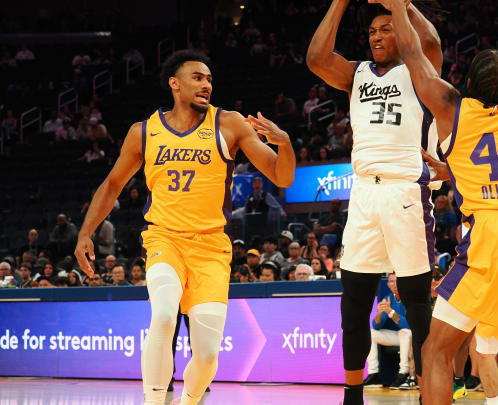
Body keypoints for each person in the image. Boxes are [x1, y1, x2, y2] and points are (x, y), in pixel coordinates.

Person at [73, 50, 295, 405]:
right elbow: (113, 184)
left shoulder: (230, 123)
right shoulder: (143, 132)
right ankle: (154, 400)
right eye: (197, 77)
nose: (206, 84)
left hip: (211, 247)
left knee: (207, 355)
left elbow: (282, 175)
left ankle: (189, 401)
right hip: (165, 238)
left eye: (209, 79)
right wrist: (85, 232)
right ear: (174, 84)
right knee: (162, 314)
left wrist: (284, 143)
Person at [378, 3, 498, 403]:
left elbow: (416, 57)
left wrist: (398, 6)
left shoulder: (451, 109)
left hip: (492, 234)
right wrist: (456, 172)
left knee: (436, 351)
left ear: (468, 83)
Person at [307, 2, 442, 403]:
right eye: (372, 32)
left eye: (387, 29)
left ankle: (429, 394)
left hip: (405, 191)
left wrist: (402, 5)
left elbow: (431, 41)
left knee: (417, 302)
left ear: (402, 33)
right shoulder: (357, 73)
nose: (378, 36)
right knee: (354, 303)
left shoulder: (418, 69)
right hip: (364, 192)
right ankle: (352, 394)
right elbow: (316, 58)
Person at [364, 273, 414, 389]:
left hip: (410, 336)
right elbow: (376, 325)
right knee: (371, 333)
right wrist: (381, 313)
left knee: (404, 332)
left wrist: (390, 312)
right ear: (388, 284)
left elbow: (407, 325)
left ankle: (404, 372)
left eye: (397, 281)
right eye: (391, 281)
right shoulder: (387, 298)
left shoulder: (408, 297)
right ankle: (374, 374)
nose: (395, 284)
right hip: (395, 336)